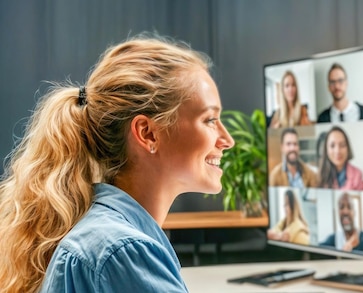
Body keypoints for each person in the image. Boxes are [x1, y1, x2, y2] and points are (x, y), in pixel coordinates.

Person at [0, 35, 234, 292]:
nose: (227, 140)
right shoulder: (122, 251)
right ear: (148, 133)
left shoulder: (106, 236)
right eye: (210, 120)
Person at [318, 126, 363, 191]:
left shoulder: (358, 174)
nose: (337, 151)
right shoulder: (318, 175)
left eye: (342, 145)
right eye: (332, 146)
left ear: (348, 148)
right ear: (326, 149)